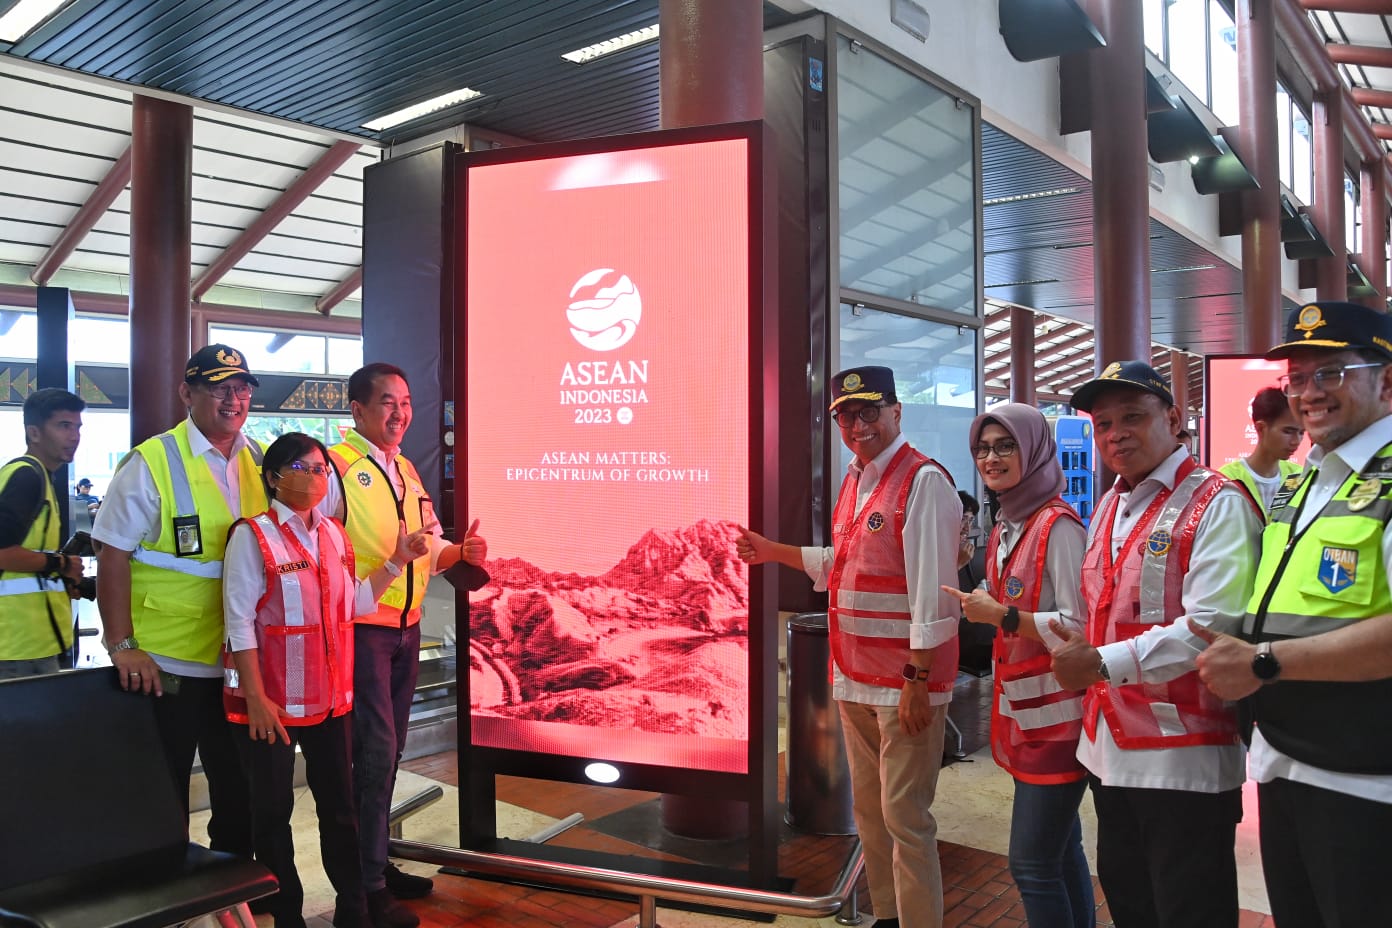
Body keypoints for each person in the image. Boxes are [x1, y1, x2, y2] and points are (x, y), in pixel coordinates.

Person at [737, 365, 960, 928]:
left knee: (906, 818)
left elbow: (935, 595)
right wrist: (769, 550)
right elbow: (841, 565)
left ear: (896, 412)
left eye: (869, 412)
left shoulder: (923, 481)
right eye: (846, 416)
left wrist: (918, 681)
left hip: (906, 685)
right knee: (871, 813)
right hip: (856, 678)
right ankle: (887, 916)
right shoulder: (856, 481)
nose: (858, 425)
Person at [1191, 301, 1392, 927]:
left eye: (1329, 373)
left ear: (1387, 379)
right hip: (1283, 763)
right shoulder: (1310, 479)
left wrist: (1263, 662)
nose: (1308, 394)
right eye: (1297, 379)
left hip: (1366, 782)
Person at [1049, 360, 1261, 928]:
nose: (1115, 434)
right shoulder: (1110, 506)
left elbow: (1213, 625)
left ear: (1173, 418)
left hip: (1183, 760)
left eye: (1133, 418)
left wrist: (1097, 662)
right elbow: (1099, 612)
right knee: (1131, 903)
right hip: (1109, 752)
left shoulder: (1218, 502)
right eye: (1102, 423)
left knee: (1189, 910)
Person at [223, 433, 431, 928]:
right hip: (271, 701)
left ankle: (353, 909)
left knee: (340, 809)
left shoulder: (334, 534)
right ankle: (288, 915)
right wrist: (254, 696)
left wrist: (397, 562)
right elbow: (237, 622)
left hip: (329, 698)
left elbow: (354, 604)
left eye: (320, 469)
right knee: (271, 815)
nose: (315, 477)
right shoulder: (252, 537)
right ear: (272, 477)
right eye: (301, 467)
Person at [322, 362, 487, 928]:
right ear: (358, 410)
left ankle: (377, 863)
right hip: (361, 632)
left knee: (388, 754)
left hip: (404, 629)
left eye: (407, 402)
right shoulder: (337, 469)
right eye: (387, 402)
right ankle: (364, 889)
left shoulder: (407, 471)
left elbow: (430, 543)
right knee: (371, 755)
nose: (400, 413)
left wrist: (458, 552)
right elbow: (319, 549)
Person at [91, 344, 264, 858]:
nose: (232, 399)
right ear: (188, 393)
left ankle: (232, 890)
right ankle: (159, 893)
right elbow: (112, 554)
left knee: (240, 788)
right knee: (161, 788)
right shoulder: (151, 462)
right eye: (217, 387)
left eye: (241, 388)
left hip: (236, 662)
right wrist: (122, 644)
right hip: (166, 664)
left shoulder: (258, 459)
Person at [941, 403, 1093, 928]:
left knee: (1030, 864)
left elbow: (1079, 628)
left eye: (1005, 445)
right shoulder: (1010, 521)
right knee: (1060, 851)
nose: (991, 457)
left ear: (1033, 450)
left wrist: (1003, 615)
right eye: (982, 448)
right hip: (1028, 720)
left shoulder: (1059, 526)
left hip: (1059, 724)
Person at [0, 388, 86, 679]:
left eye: (77, 427)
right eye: (63, 426)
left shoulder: (41, 477)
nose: (74, 436)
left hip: (32, 643)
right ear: (34, 433)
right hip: (14, 647)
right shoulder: (26, 476)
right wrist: (60, 564)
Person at [1217, 386, 1304, 514]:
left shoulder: (1296, 476)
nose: (1296, 441)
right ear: (1261, 428)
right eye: (1288, 432)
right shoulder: (1227, 479)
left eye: (1302, 432)